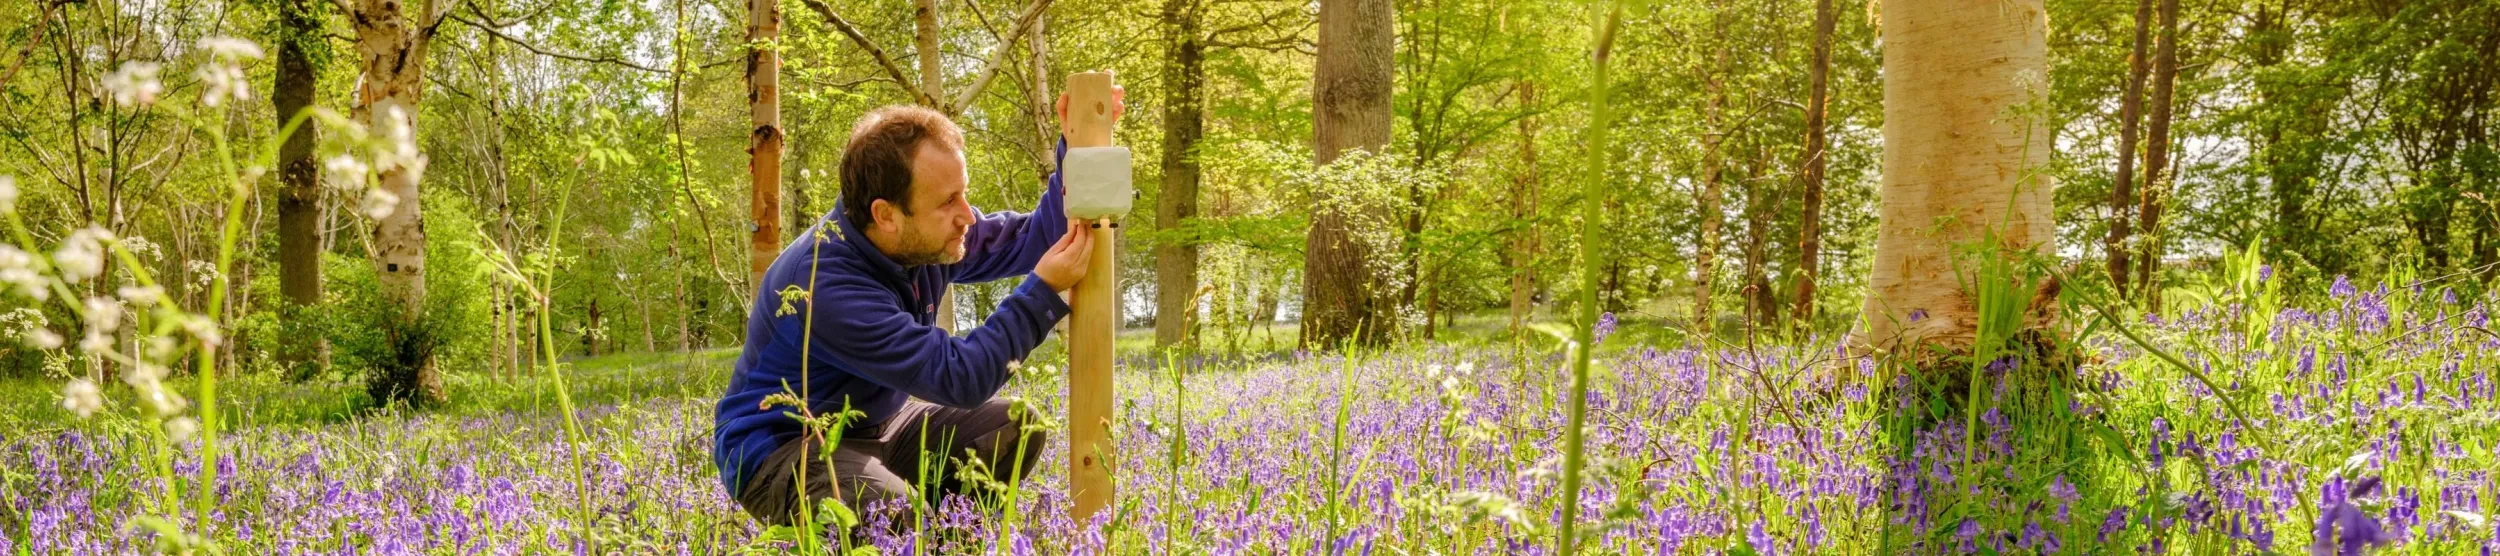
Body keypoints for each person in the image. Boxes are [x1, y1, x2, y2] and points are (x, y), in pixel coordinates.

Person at [712, 94, 1121, 527]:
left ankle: (954, 541)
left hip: (880, 424)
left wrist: (1074, 146)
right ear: (886, 215)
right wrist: (1044, 293)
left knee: (1013, 427)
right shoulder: (823, 284)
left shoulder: (926, 235)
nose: (967, 215)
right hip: (784, 445)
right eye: (948, 202)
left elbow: (1033, 239)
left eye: (964, 194)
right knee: (896, 519)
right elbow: (960, 377)